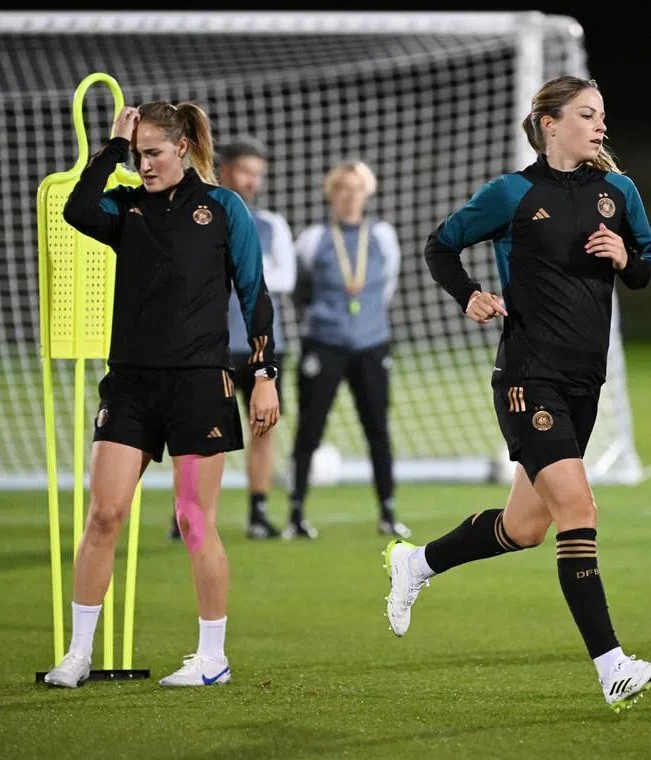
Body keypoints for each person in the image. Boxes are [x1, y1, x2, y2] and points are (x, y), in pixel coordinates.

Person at [381, 75, 651, 712]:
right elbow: (441, 247)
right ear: (550, 123)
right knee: (580, 509)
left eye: (602, 116)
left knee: (526, 527)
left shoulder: (619, 191)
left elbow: (649, 268)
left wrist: (626, 256)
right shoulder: (512, 193)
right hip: (526, 377)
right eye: (588, 115)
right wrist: (472, 296)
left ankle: (416, 563)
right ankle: (612, 666)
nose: (600, 127)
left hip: (583, 383)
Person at [44, 101, 280, 688]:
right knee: (104, 516)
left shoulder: (224, 207)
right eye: (139, 153)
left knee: (194, 520)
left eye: (154, 152)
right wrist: (113, 148)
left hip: (200, 383)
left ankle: (212, 659)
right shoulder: (123, 207)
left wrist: (264, 373)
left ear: (181, 147)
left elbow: (255, 292)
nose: (145, 164)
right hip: (129, 384)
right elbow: (76, 208)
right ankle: (78, 655)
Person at [165, 136, 295, 540]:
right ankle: (185, 514)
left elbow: (284, 279)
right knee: (196, 434)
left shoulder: (272, 224)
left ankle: (257, 514)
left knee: (263, 429)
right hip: (206, 345)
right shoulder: (194, 214)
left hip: (260, 346)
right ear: (224, 170)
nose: (253, 181)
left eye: (258, 174)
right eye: (245, 171)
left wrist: (228, 270)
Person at [283, 161, 409, 540]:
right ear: (331, 193)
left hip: (371, 343)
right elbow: (298, 290)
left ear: (367, 193)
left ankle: (387, 512)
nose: (350, 196)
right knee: (309, 429)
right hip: (324, 343)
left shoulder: (384, 236)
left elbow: (386, 286)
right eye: (343, 188)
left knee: (378, 429)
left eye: (357, 189)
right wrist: (324, 322)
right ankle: (296, 514)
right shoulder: (313, 238)